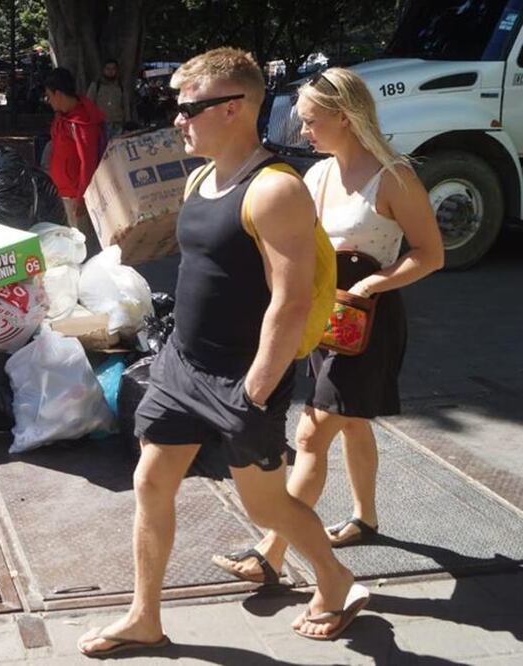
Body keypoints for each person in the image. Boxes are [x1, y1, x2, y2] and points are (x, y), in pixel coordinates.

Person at [76, 48, 367, 657]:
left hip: (243, 377)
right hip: (184, 364)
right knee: (151, 480)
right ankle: (144, 616)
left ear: (232, 109)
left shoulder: (275, 191)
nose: (177, 119)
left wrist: (258, 388)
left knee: (266, 504)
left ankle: (336, 582)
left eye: (187, 108)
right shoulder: (202, 177)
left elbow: (289, 302)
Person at [211, 67, 443, 584]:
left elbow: (431, 255)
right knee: (353, 420)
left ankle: (269, 552)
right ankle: (366, 517)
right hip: (325, 317)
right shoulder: (316, 175)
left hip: (368, 324)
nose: (304, 131)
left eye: (312, 120)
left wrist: (372, 285)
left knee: (313, 433)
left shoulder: (394, 175)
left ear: (345, 116)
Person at [45, 67, 106, 257]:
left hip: (74, 195)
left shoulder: (82, 122)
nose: (48, 101)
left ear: (59, 94)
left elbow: (88, 163)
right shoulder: (63, 117)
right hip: (61, 190)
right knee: (68, 243)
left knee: (79, 244)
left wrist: (81, 199)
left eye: (49, 96)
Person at [87, 59, 126, 138]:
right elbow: (89, 105)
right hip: (101, 125)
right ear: (103, 70)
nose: (110, 71)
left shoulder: (120, 86)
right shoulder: (96, 86)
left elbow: (125, 105)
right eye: (108, 69)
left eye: (113, 69)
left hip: (117, 124)